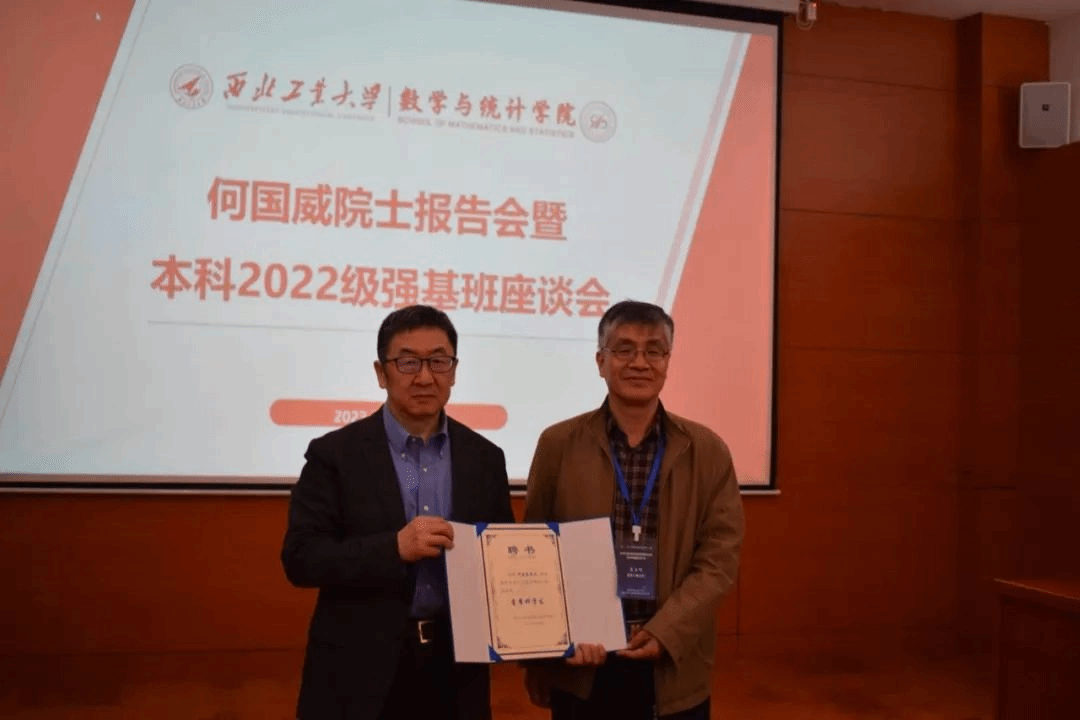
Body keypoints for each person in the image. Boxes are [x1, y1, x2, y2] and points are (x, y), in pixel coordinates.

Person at [281, 304, 514, 720]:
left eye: (439, 361)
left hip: (456, 673)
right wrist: (394, 548)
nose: (424, 377)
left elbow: (502, 561)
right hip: (358, 674)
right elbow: (301, 558)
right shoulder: (335, 454)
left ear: (454, 371)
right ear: (381, 372)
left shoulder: (485, 457)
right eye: (408, 362)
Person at [523, 299, 745, 720]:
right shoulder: (558, 444)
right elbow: (535, 551)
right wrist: (542, 654)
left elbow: (719, 560)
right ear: (600, 361)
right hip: (581, 659)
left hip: (672, 660)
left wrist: (667, 631)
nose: (639, 362)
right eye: (624, 349)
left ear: (667, 361)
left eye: (654, 350)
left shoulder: (707, 450)